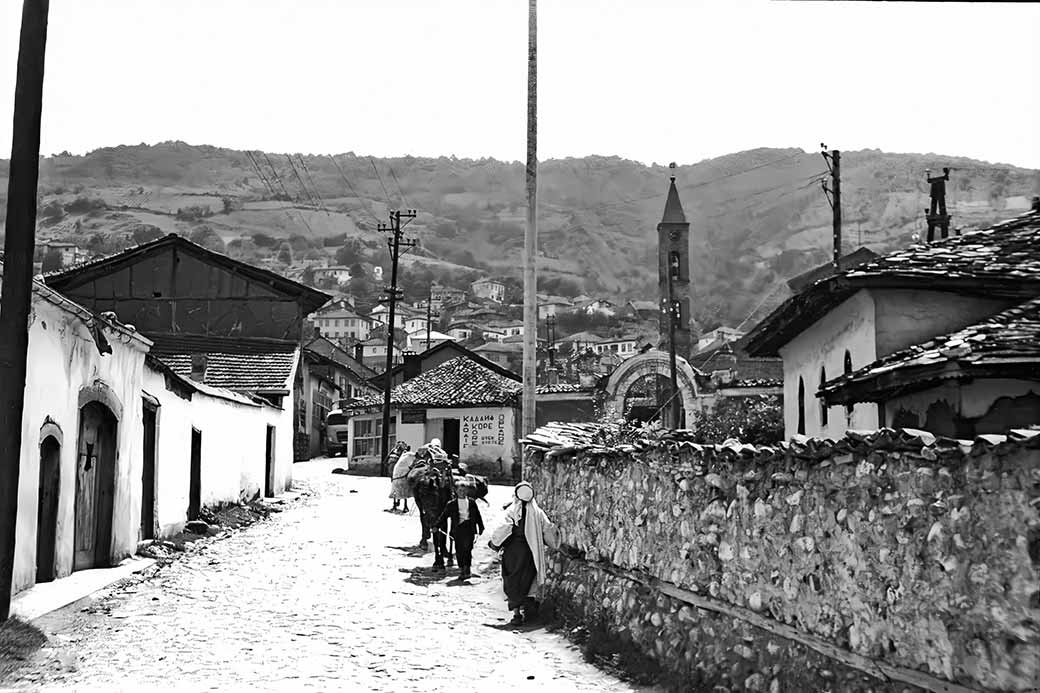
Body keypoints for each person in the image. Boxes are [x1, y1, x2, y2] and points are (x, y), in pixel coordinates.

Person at [488, 481, 558, 625]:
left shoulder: (512, 511)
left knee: (513, 579)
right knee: (528, 579)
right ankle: (529, 612)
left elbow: (504, 529)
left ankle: (516, 614)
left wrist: (494, 544)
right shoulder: (538, 513)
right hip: (531, 553)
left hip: (513, 553)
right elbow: (549, 531)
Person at [434, 486, 484, 580]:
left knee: (468, 549)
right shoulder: (452, 504)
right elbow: (444, 516)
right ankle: (462, 569)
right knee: (459, 550)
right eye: (460, 490)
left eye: (464, 490)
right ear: (456, 491)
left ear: (467, 491)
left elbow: (477, 515)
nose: (462, 492)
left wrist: (481, 527)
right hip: (458, 529)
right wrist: (436, 526)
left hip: (469, 528)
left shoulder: (472, 502)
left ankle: (467, 569)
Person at [387, 443, 413, 513]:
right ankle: (404, 505)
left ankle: (396, 504)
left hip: (395, 475)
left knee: (395, 488)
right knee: (404, 488)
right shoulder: (406, 456)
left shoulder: (394, 456)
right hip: (402, 475)